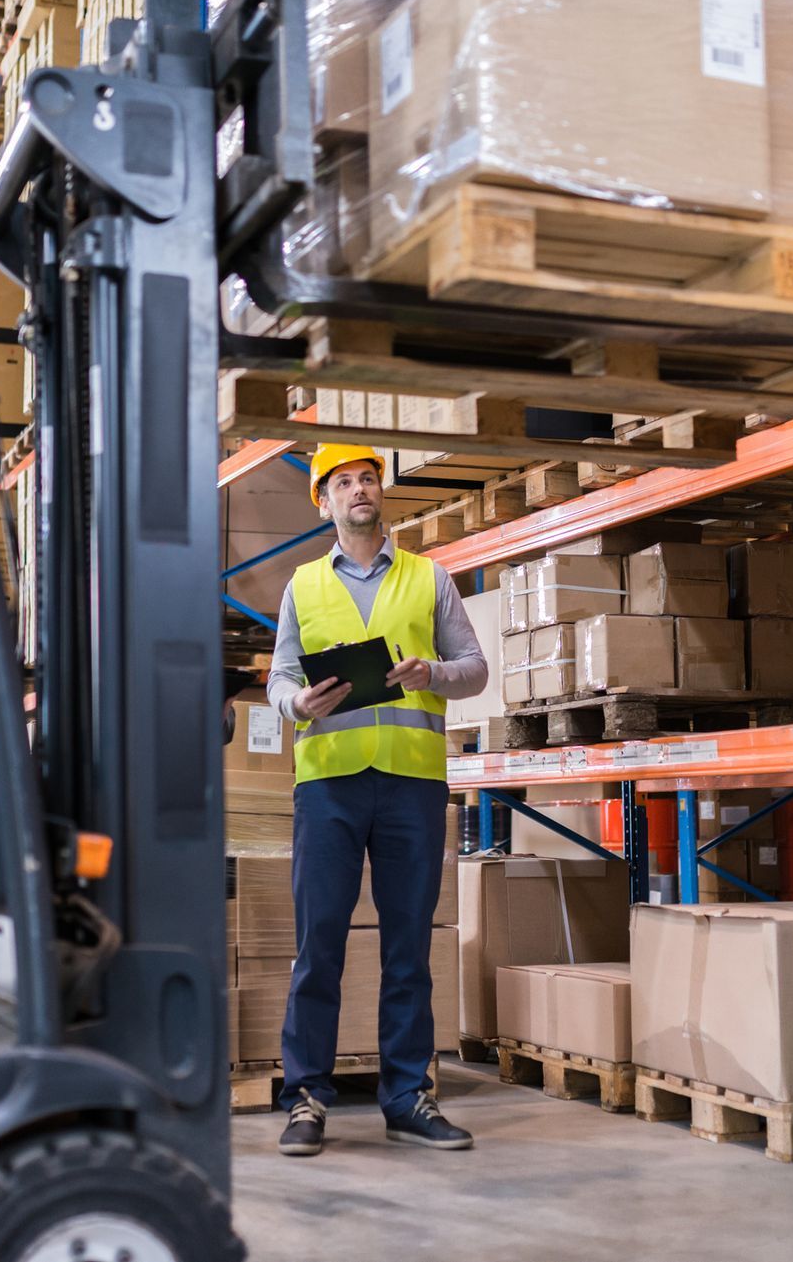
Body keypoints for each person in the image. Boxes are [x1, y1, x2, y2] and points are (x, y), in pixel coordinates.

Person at [265, 443, 488, 1156]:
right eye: (343, 482)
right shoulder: (301, 585)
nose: (359, 489)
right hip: (328, 783)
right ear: (324, 503)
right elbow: (277, 679)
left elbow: (476, 670)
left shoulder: (431, 577)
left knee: (408, 948)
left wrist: (433, 671)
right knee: (318, 945)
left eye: (368, 479)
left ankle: (406, 1097)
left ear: (380, 496)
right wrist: (297, 700)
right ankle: (305, 1098)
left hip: (411, 784)